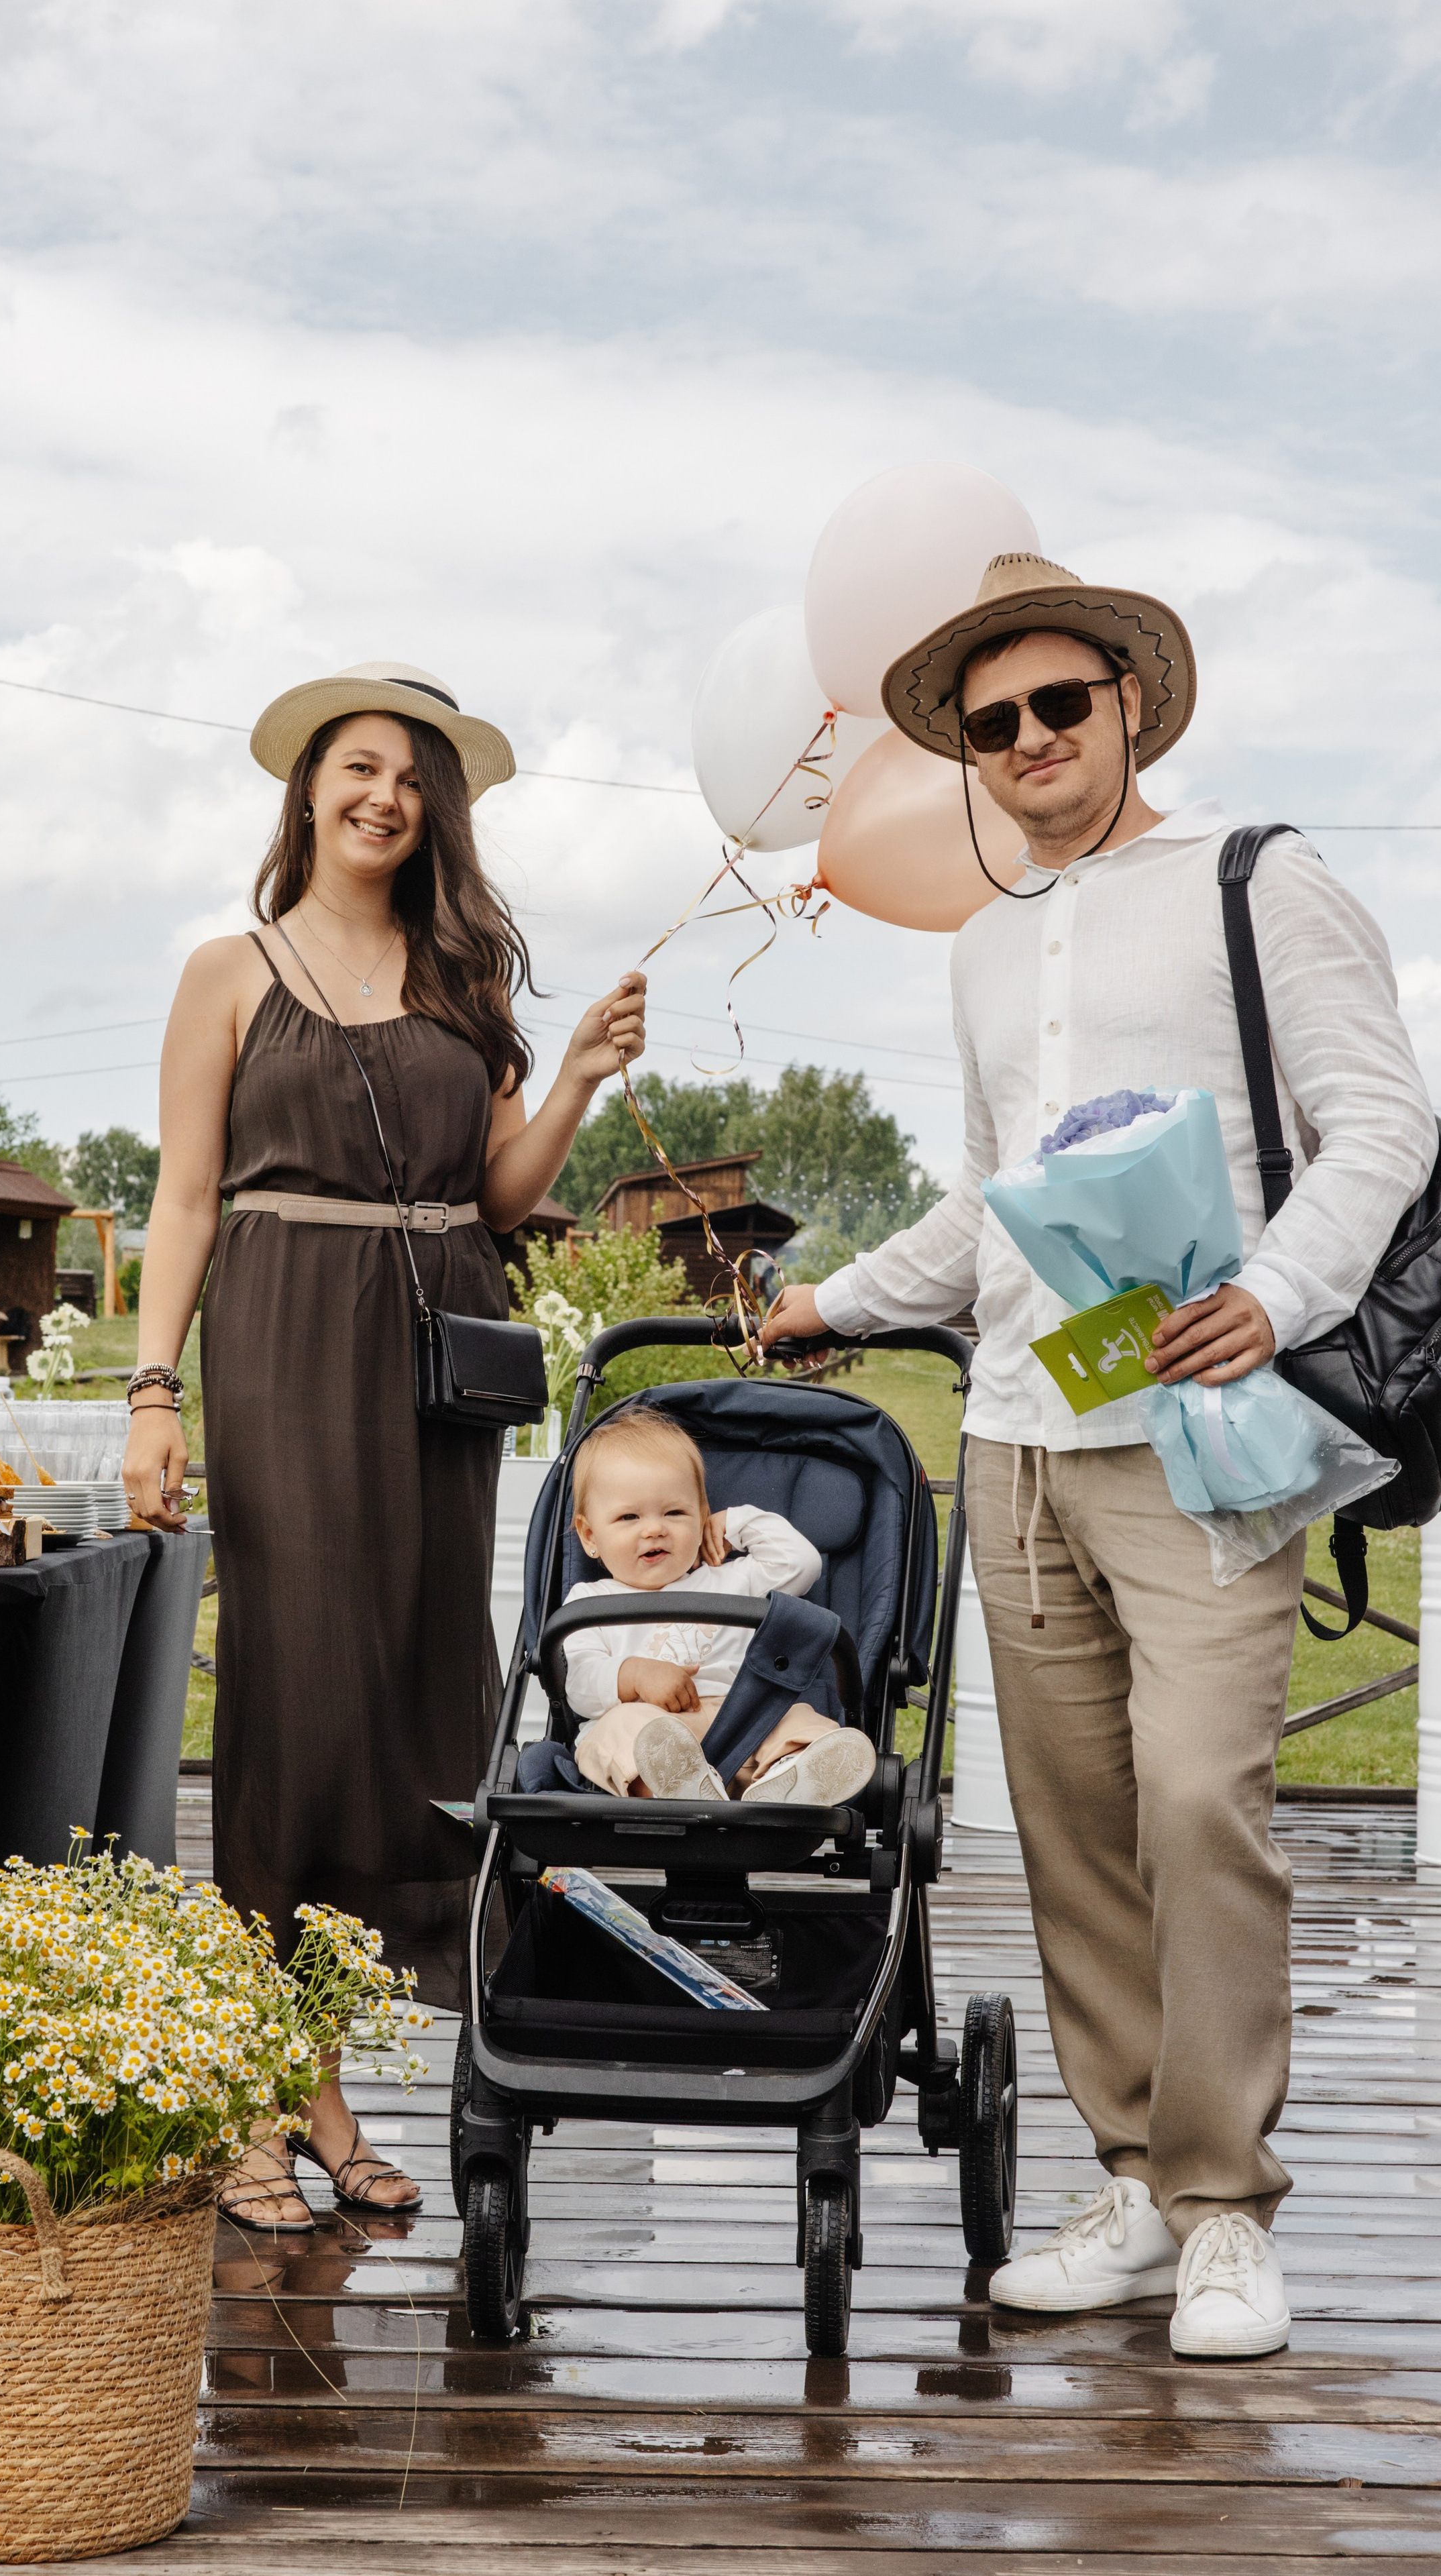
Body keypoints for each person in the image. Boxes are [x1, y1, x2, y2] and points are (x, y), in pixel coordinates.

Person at [761, 555, 1434, 2359]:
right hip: (1015, 1436)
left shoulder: (1260, 882)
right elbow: (992, 1209)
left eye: (1065, 703)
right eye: (997, 722)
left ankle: (1227, 2209)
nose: (1035, 737)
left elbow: (1381, 1119)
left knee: (1204, 1800)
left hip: (1202, 1435)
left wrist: (1280, 1296)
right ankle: (1135, 2182)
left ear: (1132, 703)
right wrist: (823, 1297)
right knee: (1071, 1835)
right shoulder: (986, 943)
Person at [122, 660, 647, 2231]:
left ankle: (317, 2078)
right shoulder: (227, 968)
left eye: (412, 777)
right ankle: (257, 2100)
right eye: (358, 765)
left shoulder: (460, 980)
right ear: (306, 789)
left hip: (434, 1364)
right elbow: (184, 1198)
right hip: (281, 1338)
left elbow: (495, 1196)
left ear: (436, 812)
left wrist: (573, 1081)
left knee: (415, 1699)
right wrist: (153, 1388)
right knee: (298, 1700)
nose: (383, 794)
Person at [523, 1408, 877, 1807]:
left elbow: (801, 1563)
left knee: (796, 1720)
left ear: (701, 1517)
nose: (654, 1529)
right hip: (651, 1731)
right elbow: (580, 1686)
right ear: (590, 1536)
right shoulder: (589, 1602)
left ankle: (789, 1778)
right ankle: (675, 1785)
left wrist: (735, 1524)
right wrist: (634, 1675)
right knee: (616, 1732)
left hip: (741, 1725)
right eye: (628, 1517)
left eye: (675, 1513)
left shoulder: (730, 1580)